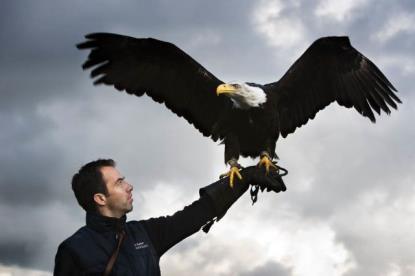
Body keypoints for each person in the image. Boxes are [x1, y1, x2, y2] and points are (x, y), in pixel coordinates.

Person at [54, 158, 286, 275]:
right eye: (119, 182)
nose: (129, 186)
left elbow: (196, 214)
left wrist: (245, 178)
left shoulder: (144, 234)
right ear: (100, 198)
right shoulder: (74, 251)